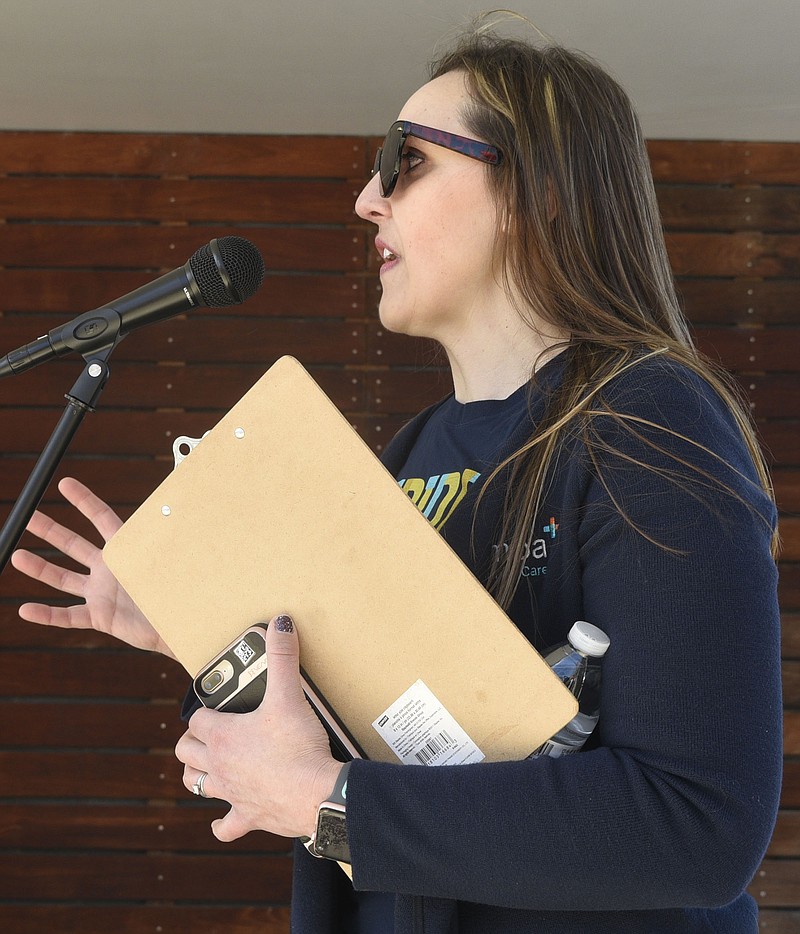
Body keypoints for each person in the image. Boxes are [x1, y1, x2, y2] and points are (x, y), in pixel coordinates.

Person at [10, 18, 782, 934]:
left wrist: (331, 806)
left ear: (534, 192)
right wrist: (202, 623)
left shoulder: (650, 421)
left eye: (405, 160)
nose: (367, 198)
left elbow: (697, 826)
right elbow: (395, 732)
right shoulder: (410, 455)